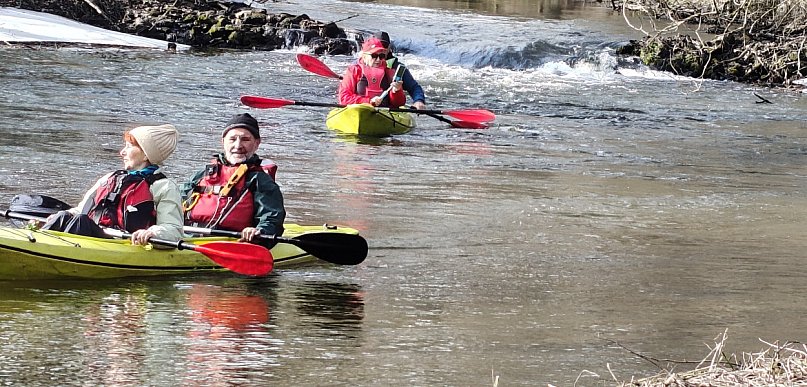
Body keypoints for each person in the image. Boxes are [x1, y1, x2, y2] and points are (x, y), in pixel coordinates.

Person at [41, 124, 183, 245]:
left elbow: (173, 229)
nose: (122, 152)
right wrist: (62, 216)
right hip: (95, 235)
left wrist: (152, 233)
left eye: (129, 147)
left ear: (146, 155)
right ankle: (35, 241)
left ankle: (43, 249)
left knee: (80, 221)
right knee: (64, 216)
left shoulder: (164, 187)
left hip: (122, 244)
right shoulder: (111, 178)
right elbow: (81, 210)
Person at [181, 113, 285, 244]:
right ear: (223, 141)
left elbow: (271, 218)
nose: (238, 145)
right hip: (186, 236)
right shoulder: (204, 173)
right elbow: (176, 200)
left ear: (257, 143)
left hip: (232, 241)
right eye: (232, 139)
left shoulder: (260, 180)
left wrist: (259, 231)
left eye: (245, 139)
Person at [338, 34, 426, 110]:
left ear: (388, 49)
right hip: (358, 110)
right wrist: (369, 101)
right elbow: (344, 97)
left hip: (383, 112)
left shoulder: (392, 70)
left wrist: (397, 91)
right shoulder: (354, 70)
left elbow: (399, 103)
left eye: (381, 55)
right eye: (374, 55)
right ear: (364, 56)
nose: (378, 59)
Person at [373, 31, 427, 110]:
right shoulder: (358, 67)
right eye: (377, 45)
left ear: (389, 48)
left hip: (388, 109)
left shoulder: (397, 67)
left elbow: (414, 87)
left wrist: (419, 100)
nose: (381, 48)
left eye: (384, 45)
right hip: (366, 106)